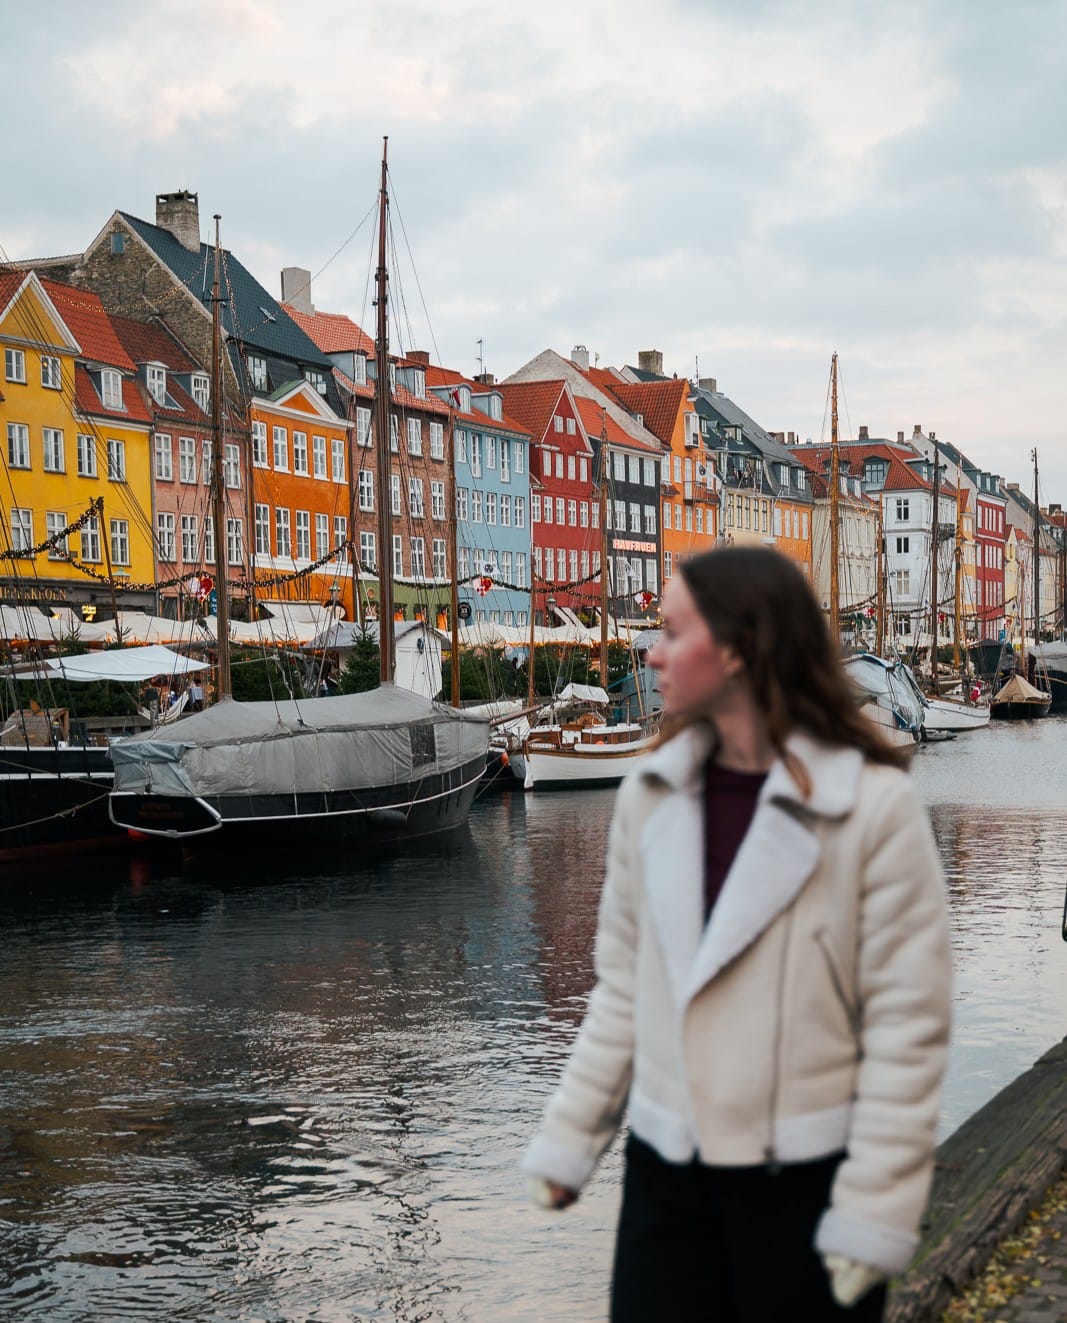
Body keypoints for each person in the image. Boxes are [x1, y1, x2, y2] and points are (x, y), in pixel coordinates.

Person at [522, 545, 951, 1322]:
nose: (650, 651)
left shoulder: (870, 807)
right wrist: (572, 1135)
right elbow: (622, 990)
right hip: (665, 1173)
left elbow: (907, 1028)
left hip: (804, 1178)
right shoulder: (650, 794)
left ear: (737, 647)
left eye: (670, 630)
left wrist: (875, 1207)